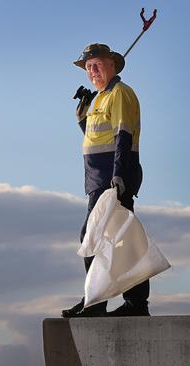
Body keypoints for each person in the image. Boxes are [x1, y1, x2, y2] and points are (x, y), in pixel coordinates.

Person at [62, 43, 149, 318]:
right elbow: (96, 138)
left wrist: (119, 175)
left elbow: (122, 136)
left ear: (112, 64)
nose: (92, 70)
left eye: (97, 64)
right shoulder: (99, 98)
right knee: (120, 241)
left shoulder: (120, 93)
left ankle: (96, 303)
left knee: (92, 237)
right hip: (98, 181)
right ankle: (135, 304)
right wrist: (81, 119)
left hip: (113, 179)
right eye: (88, 67)